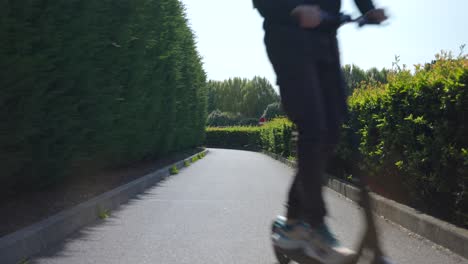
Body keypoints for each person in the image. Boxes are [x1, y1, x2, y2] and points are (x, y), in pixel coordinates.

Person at [253, 1, 387, 263]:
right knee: (313, 127)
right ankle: (314, 226)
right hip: (289, 37)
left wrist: (369, 9)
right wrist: (291, 10)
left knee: (332, 132)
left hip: (326, 37)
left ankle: (293, 220)